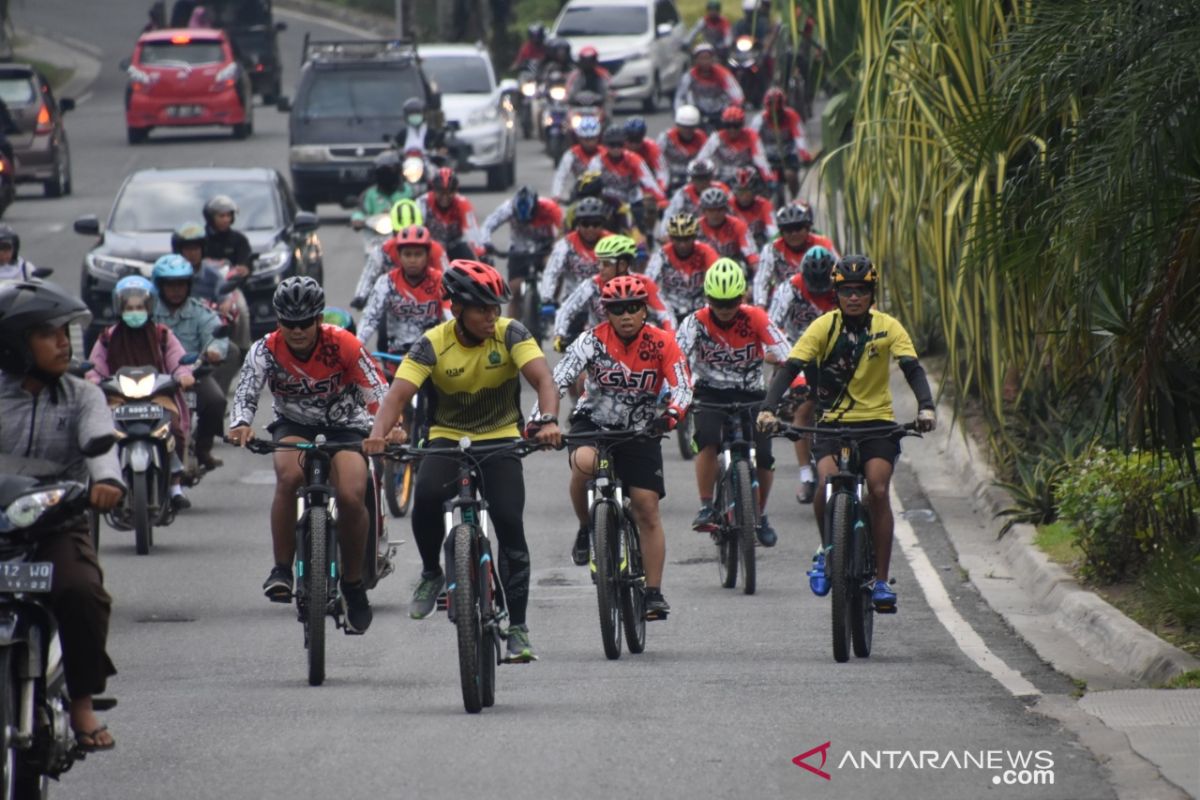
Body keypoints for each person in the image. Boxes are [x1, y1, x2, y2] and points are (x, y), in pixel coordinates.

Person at [363, 261, 562, 662]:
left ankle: (519, 628)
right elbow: (396, 397)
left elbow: (543, 380)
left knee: (509, 523)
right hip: (447, 438)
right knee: (425, 500)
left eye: (496, 307)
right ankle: (432, 574)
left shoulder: (511, 333)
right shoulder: (432, 343)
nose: (493, 315)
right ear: (457, 309)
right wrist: (377, 435)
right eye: (482, 308)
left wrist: (548, 421)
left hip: (501, 438)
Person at [757, 256, 937, 612]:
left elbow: (912, 368)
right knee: (826, 486)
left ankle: (882, 580)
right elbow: (790, 366)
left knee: (878, 488)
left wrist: (926, 407)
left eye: (861, 290)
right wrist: (768, 407)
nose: (854, 297)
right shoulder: (823, 327)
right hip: (831, 424)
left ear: (872, 293)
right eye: (846, 291)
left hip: (877, 424)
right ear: (836, 293)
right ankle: (827, 552)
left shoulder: (888, 327)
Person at [227, 277, 387, 634]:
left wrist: (386, 428)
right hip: (293, 425)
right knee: (288, 477)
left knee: (350, 493)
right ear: (279, 321)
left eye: (305, 323)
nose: (297, 331)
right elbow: (246, 391)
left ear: (318, 319)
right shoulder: (265, 349)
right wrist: (241, 424)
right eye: (289, 323)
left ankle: (353, 583)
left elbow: (376, 389)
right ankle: (282, 569)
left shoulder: (343, 344)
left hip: (346, 427)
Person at [0, 281, 121, 753]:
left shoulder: (82, 396)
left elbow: (101, 444)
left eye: (66, 332)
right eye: (48, 334)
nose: (64, 343)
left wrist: (108, 483)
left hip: (54, 521)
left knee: (82, 591)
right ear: (15, 343)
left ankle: (82, 703)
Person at [538, 275, 691, 619]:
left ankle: (653, 592)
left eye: (633, 308)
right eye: (617, 309)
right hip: (593, 423)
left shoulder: (663, 342)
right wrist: (543, 419)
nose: (626, 316)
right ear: (606, 312)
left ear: (644, 310)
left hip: (642, 428)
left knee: (646, 506)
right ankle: (584, 527)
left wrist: (670, 416)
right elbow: (558, 379)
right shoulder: (590, 341)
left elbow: (682, 386)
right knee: (584, 464)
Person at [678, 259, 789, 545]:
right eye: (718, 302)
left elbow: (789, 355)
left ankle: (760, 514)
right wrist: (679, 393)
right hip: (709, 392)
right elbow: (676, 359)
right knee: (706, 439)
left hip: (751, 393)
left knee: (764, 455)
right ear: (707, 298)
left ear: (742, 298)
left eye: (731, 302)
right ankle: (706, 506)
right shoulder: (694, 322)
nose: (725, 309)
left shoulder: (756, 317)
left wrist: (798, 386)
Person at [86, 276, 195, 510]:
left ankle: (175, 485)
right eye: (129, 308)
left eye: (139, 307)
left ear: (148, 307)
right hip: (117, 397)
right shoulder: (107, 337)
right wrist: (93, 381)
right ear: (120, 308)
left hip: (157, 394)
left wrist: (184, 375)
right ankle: (111, 476)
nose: (134, 312)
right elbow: (95, 368)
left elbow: (178, 361)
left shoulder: (162, 334)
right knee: (105, 432)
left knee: (174, 429)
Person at [766, 245, 837, 503]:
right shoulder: (789, 289)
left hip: (835, 354)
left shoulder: (842, 287)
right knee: (804, 408)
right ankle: (806, 474)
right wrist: (777, 352)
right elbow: (772, 326)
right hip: (799, 352)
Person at [150, 254, 229, 471]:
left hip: (193, 376)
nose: (176, 290)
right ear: (159, 286)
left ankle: (203, 448)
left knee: (216, 401)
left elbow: (216, 335)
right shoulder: (148, 312)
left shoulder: (200, 312)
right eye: (170, 285)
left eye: (181, 285)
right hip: (154, 379)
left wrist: (213, 351)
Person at [552, 234, 672, 350]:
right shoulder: (591, 285)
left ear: (622, 265)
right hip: (599, 346)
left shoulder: (644, 283)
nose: (600, 268)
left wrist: (670, 338)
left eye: (606, 264)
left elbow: (665, 314)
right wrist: (559, 334)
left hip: (634, 346)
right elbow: (567, 309)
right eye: (599, 263)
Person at [358, 225, 450, 355]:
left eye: (418, 254)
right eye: (407, 254)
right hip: (396, 355)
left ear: (427, 256)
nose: (412, 260)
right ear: (399, 256)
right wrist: (356, 347)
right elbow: (370, 319)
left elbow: (451, 316)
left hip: (432, 353)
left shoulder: (440, 280)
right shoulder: (386, 282)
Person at [352, 199, 451, 311]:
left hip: (428, 304)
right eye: (403, 236)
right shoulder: (382, 250)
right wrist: (360, 296)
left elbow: (447, 279)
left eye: (418, 251)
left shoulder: (436, 250)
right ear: (394, 232)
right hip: (394, 304)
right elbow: (368, 275)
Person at [481, 185, 563, 318]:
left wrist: (558, 245)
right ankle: (510, 331)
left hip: (544, 247)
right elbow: (488, 224)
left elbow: (563, 229)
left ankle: (551, 301)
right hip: (518, 250)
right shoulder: (507, 208)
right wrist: (486, 243)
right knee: (514, 291)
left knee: (556, 268)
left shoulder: (550, 207)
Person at [752, 201, 838, 306]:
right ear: (781, 232)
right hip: (785, 303)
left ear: (808, 228)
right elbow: (761, 280)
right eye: (788, 230)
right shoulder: (771, 249)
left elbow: (840, 271)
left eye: (798, 228)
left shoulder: (823, 243)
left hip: (822, 300)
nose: (794, 234)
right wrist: (760, 305)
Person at [586, 127, 666, 235]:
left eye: (619, 145)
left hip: (631, 201)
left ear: (624, 144)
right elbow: (588, 182)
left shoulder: (634, 159)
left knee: (642, 223)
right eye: (612, 145)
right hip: (607, 201)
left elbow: (649, 181)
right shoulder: (597, 161)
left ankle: (646, 238)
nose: (616, 149)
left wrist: (661, 198)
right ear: (605, 145)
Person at [645, 212, 719, 322]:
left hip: (700, 304)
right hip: (671, 307)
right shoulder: (661, 254)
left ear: (694, 237)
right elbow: (647, 282)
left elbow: (719, 277)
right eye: (678, 239)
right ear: (671, 238)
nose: (682, 244)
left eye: (687, 239)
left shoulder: (706, 251)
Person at [539, 196, 612, 306]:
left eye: (596, 224)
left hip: (606, 302)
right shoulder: (565, 244)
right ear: (578, 225)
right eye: (585, 224)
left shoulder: (612, 242)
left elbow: (626, 273)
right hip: (573, 303)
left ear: (602, 224)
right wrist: (546, 299)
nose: (590, 228)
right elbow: (551, 272)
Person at [752, 87, 814, 200]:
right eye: (772, 112)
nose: (775, 115)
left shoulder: (792, 116)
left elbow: (799, 136)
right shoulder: (759, 120)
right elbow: (752, 140)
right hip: (767, 157)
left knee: (791, 176)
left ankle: (796, 199)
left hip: (788, 155)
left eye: (778, 112)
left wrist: (804, 155)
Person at [695, 104, 775, 188]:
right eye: (728, 126)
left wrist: (768, 178)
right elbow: (701, 158)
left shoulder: (751, 136)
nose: (732, 130)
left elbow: (760, 159)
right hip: (723, 177)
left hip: (746, 177)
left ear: (742, 125)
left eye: (736, 126)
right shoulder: (716, 138)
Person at [416, 168, 484, 262]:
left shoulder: (462, 203)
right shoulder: (422, 203)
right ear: (434, 190)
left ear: (456, 191)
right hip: (430, 248)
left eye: (450, 192)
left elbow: (472, 231)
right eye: (441, 192)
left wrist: (480, 254)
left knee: (467, 251)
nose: (445, 197)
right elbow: (416, 229)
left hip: (454, 248)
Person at [656, 157, 730, 239]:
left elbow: (733, 213)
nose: (701, 182)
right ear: (691, 178)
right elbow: (670, 214)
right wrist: (665, 234)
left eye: (705, 177)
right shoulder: (683, 193)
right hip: (691, 235)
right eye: (697, 178)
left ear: (711, 177)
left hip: (721, 233)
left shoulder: (722, 189)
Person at [673, 43, 743, 123]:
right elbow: (680, 96)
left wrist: (735, 107)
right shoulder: (690, 76)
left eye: (707, 58)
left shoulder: (722, 74)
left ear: (712, 59)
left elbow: (736, 92)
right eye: (701, 58)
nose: (705, 62)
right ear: (695, 60)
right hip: (699, 112)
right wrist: (679, 112)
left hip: (720, 112)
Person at [697, 187, 759, 274]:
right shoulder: (696, 227)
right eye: (711, 210)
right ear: (704, 211)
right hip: (707, 270)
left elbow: (751, 254)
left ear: (725, 209)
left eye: (719, 209)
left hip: (734, 268)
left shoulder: (738, 225)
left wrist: (758, 273)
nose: (715, 214)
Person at [350, 152, 412, 230]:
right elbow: (360, 211)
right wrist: (357, 219)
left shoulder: (408, 191)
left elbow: (420, 208)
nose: (387, 175)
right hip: (377, 236)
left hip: (406, 233)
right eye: (383, 171)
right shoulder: (369, 194)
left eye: (391, 171)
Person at [551, 115, 605, 202]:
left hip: (602, 193)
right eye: (586, 139)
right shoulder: (571, 154)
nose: (589, 143)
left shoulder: (604, 153)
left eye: (592, 138)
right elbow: (560, 176)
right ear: (579, 138)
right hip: (579, 193)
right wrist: (556, 195)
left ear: (598, 138)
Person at [656, 105, 709, 192]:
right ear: (677, 125)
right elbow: (657, 155)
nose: (687, 130)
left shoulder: (701, 137)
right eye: (684, 126)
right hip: (670, 174)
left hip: (693, 174)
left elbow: (707, 158)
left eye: (690, 127)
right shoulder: (666, 137)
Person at [203, 195, 253, 279]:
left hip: (232, 285)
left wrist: (244, 269)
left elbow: (245, 262)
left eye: (228, 216)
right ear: (211, 218)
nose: (226, 220)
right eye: (221, 216)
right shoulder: (201, 239)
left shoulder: (239, 239)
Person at [729, 167, 777, 249]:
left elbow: (773, 230)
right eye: (740, 191)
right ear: (735, 192)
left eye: (747, 191)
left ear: (754, 190)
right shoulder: (729, 205)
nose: (744, 196)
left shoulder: (764, 204)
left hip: (761, 243)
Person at [624, 117, 667, 189]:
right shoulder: (616, 147)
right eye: (630, 140)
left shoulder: (652, 147)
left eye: (637, 140)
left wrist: (659, 190)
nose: (633, 145)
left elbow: (662, 172)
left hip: (647, 187)